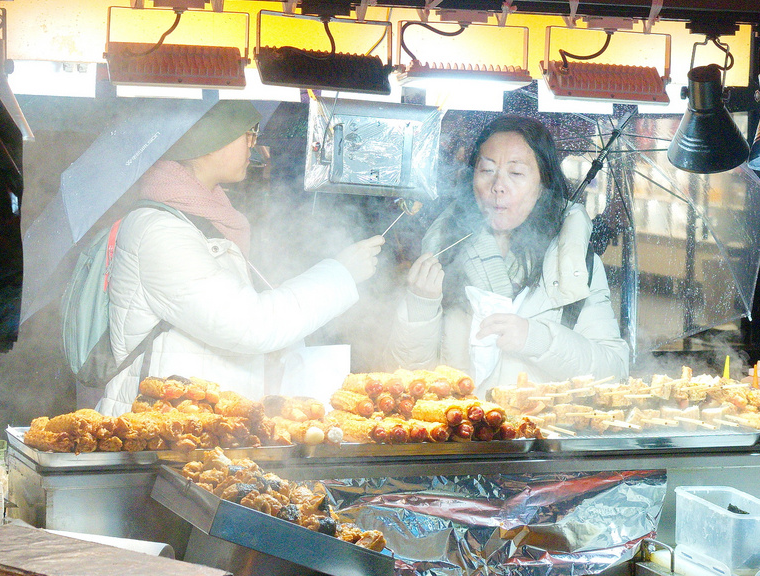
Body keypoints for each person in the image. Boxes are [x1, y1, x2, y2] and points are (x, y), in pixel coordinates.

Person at [98, 100, 385, 413]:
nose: (255, 144)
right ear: (209, 142)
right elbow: (251, 325)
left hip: (200, 428)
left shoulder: (208, 219)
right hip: (157, 434)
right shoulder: (158, 231)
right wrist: (340, 274)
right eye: (249, 134)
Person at [388, 115, 629, 391]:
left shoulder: (573, 262)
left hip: (537, 431)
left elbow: (615, 371)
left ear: (542, 186)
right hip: (458, 430)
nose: (498, 186)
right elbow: (404, 382)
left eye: (516, 174)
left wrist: (536, 339)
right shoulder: (441, 250)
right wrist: (421, 308)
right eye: (487, 170)